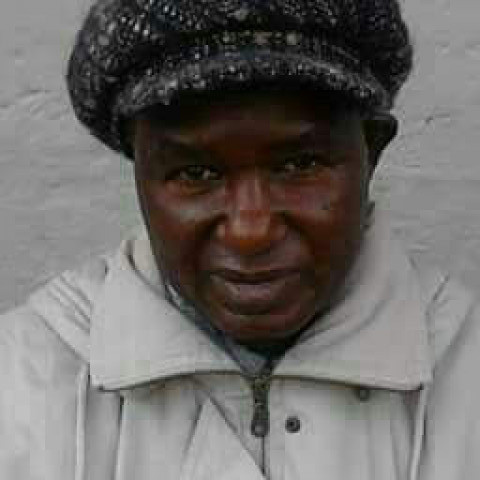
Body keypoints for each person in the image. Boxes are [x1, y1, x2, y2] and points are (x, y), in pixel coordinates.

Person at [1, 0, 480, 479]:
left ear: (371, 153)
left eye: (300, 165)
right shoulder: (24, 385)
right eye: (195, 173)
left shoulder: (464, 374)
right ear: (138, 171)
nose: (251, 232)